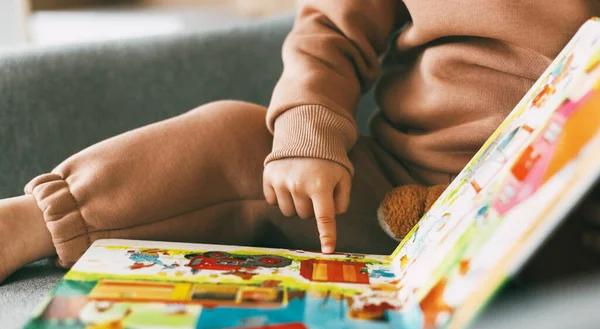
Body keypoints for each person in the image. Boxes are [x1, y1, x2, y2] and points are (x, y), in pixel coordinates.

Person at [1, 0, 599, 284]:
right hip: (399, 184)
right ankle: (29, 222)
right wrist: (308, 134)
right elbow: (330, 33)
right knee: (236, 135)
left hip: (572, 206)